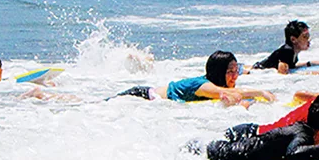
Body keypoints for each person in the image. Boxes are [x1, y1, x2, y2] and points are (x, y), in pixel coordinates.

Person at [204, 94, 319, 160]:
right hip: (218, 154)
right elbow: (294, 154)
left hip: (226, 149)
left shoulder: (308, 132)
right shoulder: (302, 133)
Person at [115, 50, 274, 105]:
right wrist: (261, 93)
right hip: (142, 97)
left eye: (236, 71)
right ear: (219, 72)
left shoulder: (215, 84)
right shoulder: (203, 85)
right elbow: (227, 93)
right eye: (230, 72)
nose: (235, 76)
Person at [253, 20, 319, 74]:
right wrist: (310, 73)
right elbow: (282, 74)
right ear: (293, 39)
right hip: (257, 72)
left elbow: (290, 67)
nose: (308, 40)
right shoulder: (287, 52)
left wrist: (309, 63)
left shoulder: (292, 52)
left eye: (308, 36)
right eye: (305, 37)